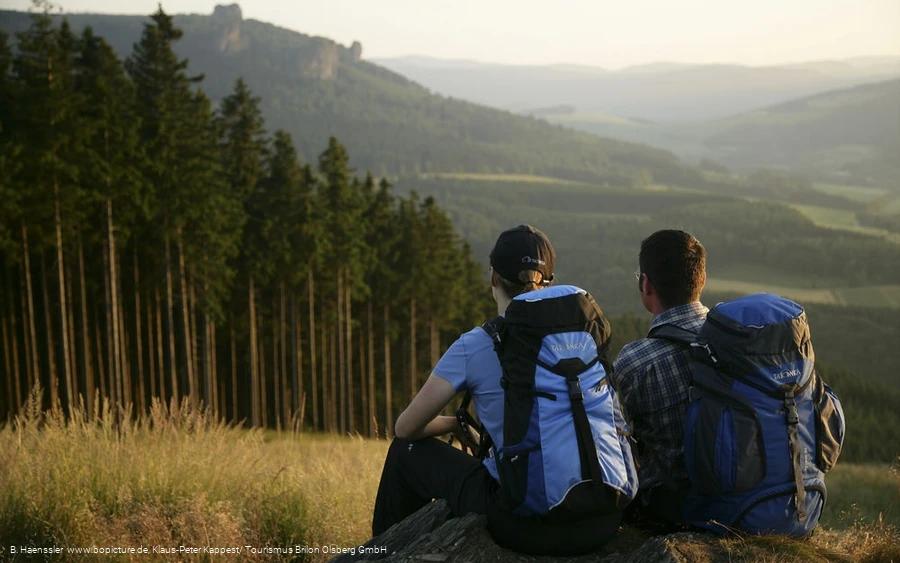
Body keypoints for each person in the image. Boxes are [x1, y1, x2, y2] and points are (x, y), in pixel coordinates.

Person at [372, 224, 623, 555]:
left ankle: (380, 554)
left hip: (526, 525)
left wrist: (451, 423)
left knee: (404, 452)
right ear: (549, 282)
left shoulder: (477, 344)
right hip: (604, 518)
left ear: (493, 277)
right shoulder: (583, 336)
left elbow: (405, 428)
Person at [610, 229, 708, 533]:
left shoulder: (635, 362)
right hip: (740, 498)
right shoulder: (738, 340)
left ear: (646, 284)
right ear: (701, 279)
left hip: (667, 512)